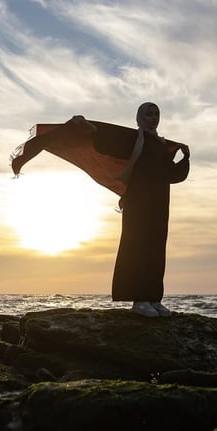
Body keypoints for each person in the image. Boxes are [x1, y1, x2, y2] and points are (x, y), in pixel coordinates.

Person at [78, 102, 190, 317]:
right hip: (137, 201)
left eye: (157, 114)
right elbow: (107, 141)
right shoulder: (133, 139)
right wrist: (87, 126)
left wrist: (185, 157)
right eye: (149, 114)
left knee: (156, 249)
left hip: (159, 203)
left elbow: (172, 175)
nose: (153, 117)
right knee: (137, 248)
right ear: (139, 117)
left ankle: (154, 299)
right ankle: (139, 301)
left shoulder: (161, 144)